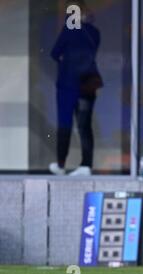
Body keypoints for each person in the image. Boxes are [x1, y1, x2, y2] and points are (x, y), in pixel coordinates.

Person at [49, 0, 103, 176]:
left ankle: (61, 164)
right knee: (84, 125)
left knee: (65, 123)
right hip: (87, 84)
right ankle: (86, 165)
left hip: (68, 84)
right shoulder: (94, 32)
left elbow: (55, 52)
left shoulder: (69, 30)